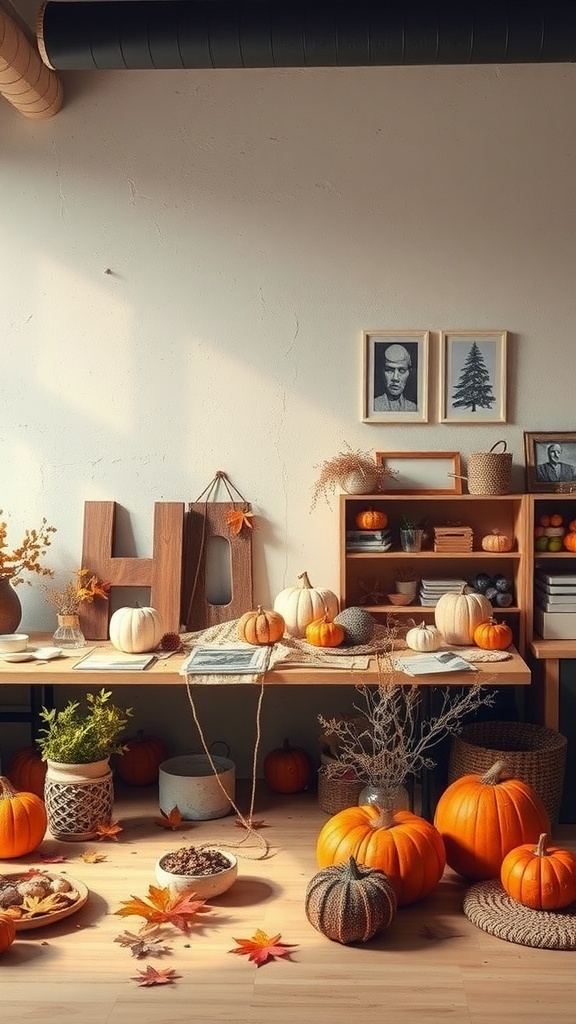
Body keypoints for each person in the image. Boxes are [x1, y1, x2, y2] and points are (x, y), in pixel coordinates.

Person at [373, 343, 418, 412]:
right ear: (382, 371)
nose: (395, 378)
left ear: (409, 372)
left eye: (402, 370)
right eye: (389, 370)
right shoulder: (373, 406)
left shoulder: (413, 408)